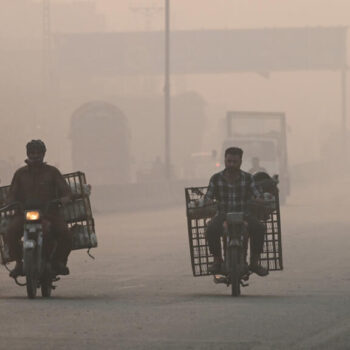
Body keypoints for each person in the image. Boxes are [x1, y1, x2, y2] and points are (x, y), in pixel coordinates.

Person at [6, 140, 72, 277]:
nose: (35, 156)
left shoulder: (53, 172)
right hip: (24, 214)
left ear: (43, 154)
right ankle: (19, 263)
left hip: (50, 213)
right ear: (28, 154)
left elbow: (66, 192)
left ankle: (58, 261)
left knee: (66, 233)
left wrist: (64, 199)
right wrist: (11, 203)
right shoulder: (20, 174)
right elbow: (12, 194)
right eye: (32, 153)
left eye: (38, 153)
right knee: (10, 232)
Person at [203, 147, 268, 276]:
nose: (231, 164)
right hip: (222, 214)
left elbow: (258, 194)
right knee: (210, 229)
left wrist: (260, 199)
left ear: (240, 162)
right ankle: (217, 260)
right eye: (229, 161)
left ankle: (254, 262)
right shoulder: (216, 178)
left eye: (234, 162)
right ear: (225, 160)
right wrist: (207, 202)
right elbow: (208, 197)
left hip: (244, 214)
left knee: (260, 228)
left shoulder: (248, 178)